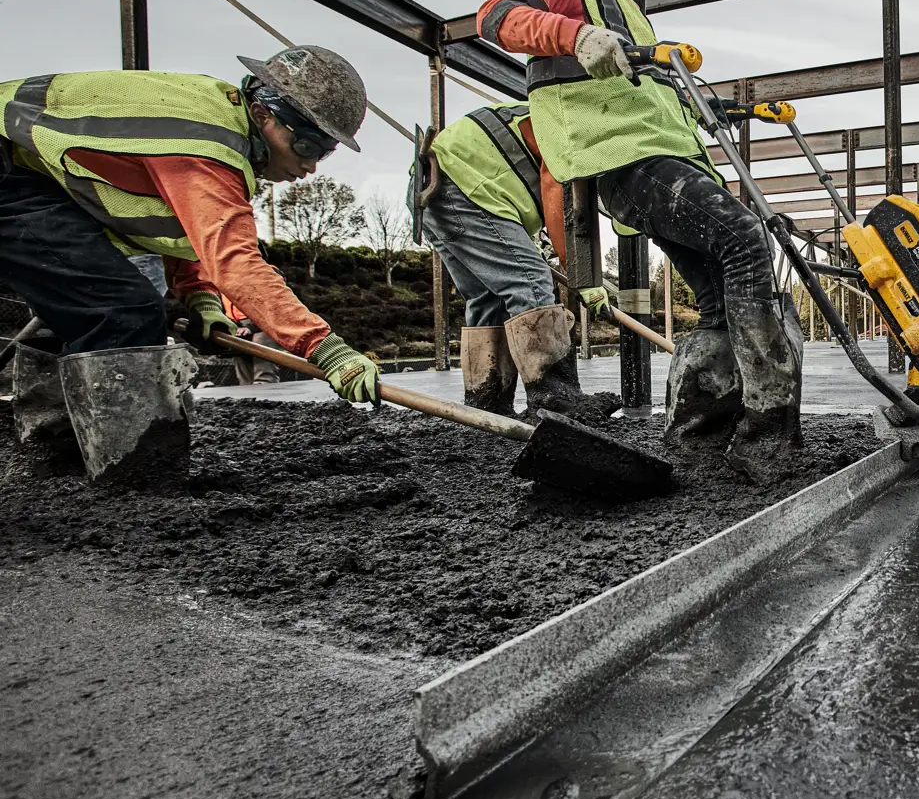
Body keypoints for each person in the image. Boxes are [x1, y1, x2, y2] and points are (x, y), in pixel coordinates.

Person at [477, 0, 800, 479]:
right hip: (624, 160)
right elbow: (496, 17)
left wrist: (717, 108)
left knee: (715, 294)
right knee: (744, 239)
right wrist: (574, 37)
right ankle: (767, 436)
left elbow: (648, 94)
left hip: (660, 156)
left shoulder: (629, 9)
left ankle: (697, 437)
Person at [0, 46, 380, 483]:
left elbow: (172, 224)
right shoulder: (206, 145)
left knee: (80, 309)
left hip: (28, 175)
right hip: (9, 169)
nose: (311, 165)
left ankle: (54, 454)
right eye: (306, 144)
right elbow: (236, 263)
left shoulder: (211, 121)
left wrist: (201, 300)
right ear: (263, 114)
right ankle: (133, 474)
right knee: (121, 313)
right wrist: (326, 350)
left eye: (325, 151)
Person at [411, 101, 612, 417]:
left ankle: (487, 406)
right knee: (530, 281)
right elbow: (556, 190)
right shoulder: (581, 126)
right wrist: (581, 275)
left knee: (487, 296)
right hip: (464, 182)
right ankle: (559, 405)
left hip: (437, 184)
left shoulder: (560, 115)